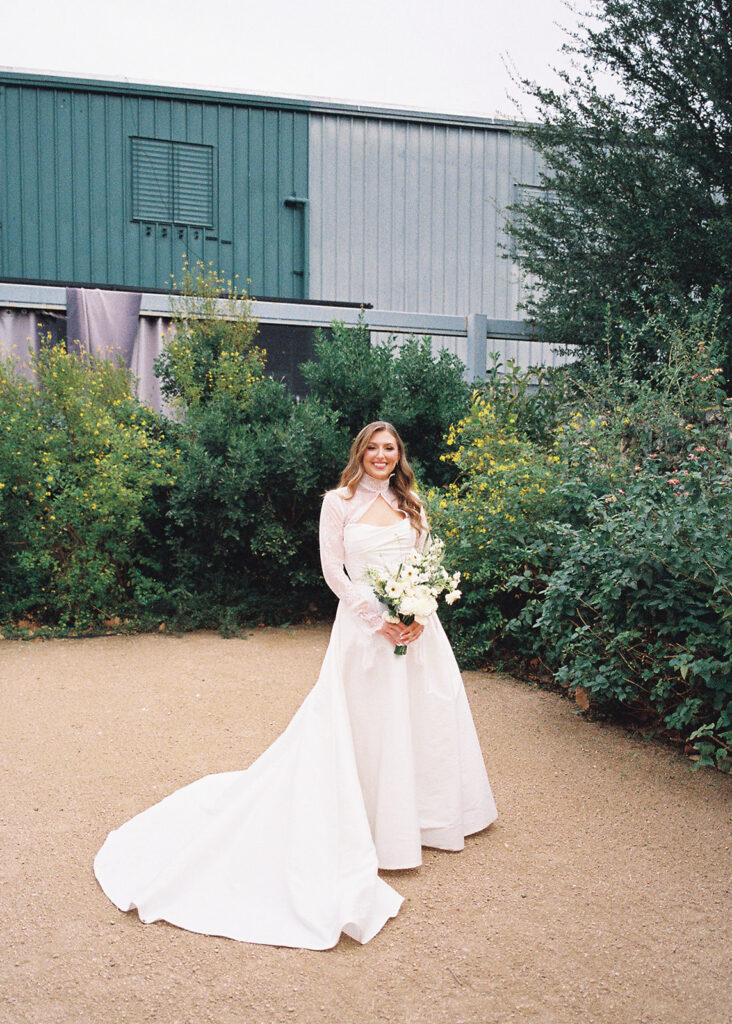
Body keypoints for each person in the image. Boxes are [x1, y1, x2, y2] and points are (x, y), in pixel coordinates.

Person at [94, 421, 497, 950]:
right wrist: (377, 619)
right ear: (360, 453)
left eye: (389, 449)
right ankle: (373, 827)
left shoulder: (413, 503)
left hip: (419, 628)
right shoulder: (339, 501)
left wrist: (419, 609)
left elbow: (423, 565)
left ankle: (423, 819)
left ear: (400, 456)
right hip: (364, 631)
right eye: (372, 448)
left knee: (423, 716)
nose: (381, 456)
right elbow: (334, 571)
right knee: (368, 724)